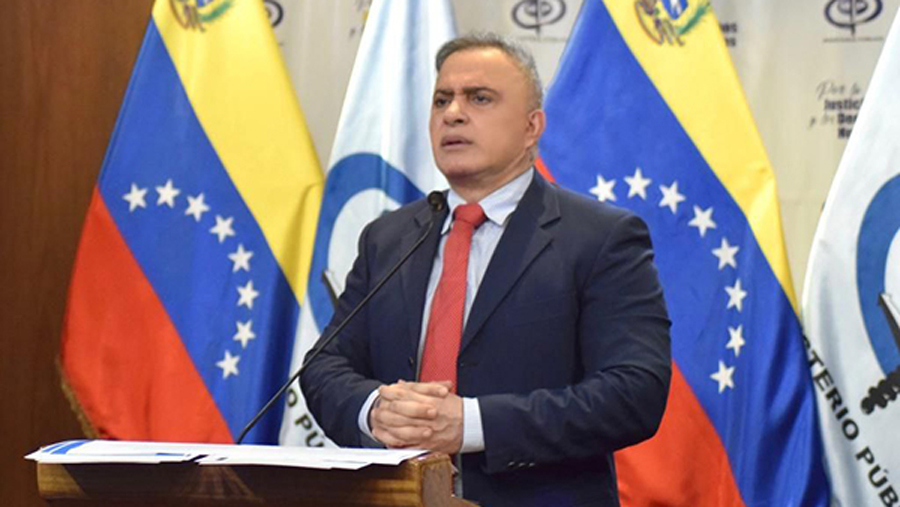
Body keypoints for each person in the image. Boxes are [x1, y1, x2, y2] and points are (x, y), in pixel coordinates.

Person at [301, 33, 671, 506]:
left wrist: (471, 424)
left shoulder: (600, 237)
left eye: (479, 98)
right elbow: (325, 365)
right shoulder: (388, 238)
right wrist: (374, 410)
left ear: (532, 127)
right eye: (442, 99)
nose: (453, 113)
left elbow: (633, 393)